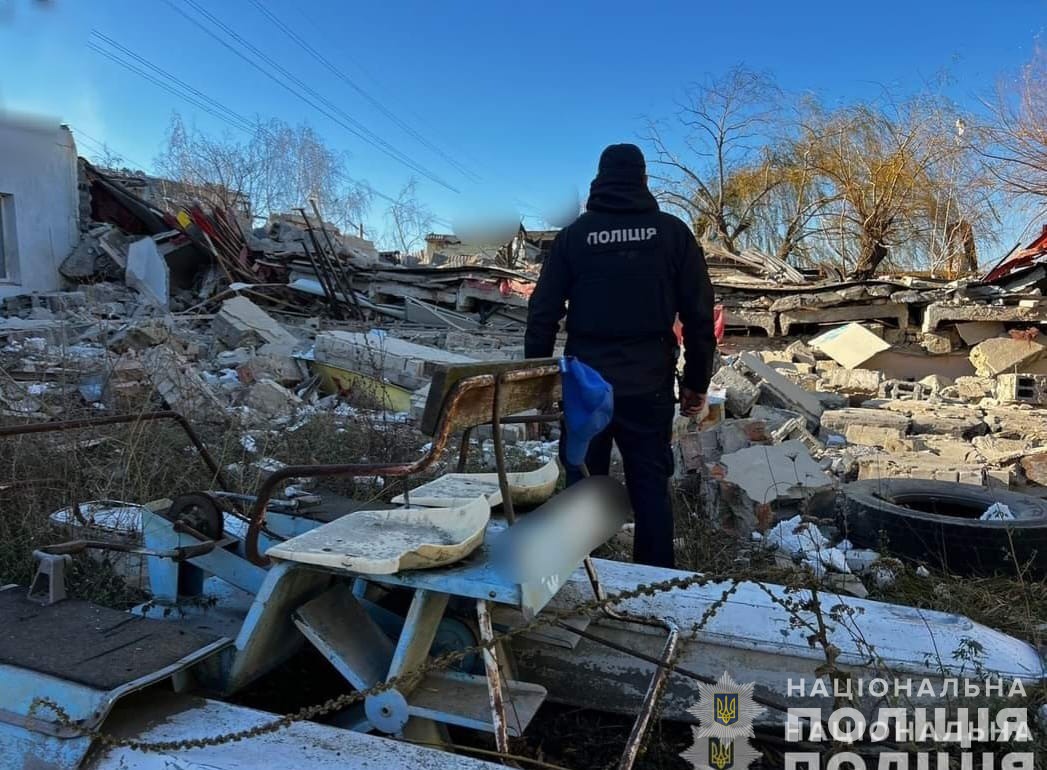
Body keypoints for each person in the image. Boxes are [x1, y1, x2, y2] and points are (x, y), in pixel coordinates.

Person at [524, 143, 716, 569]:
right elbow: (700, 317)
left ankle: (577, 577)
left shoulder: (574, 237)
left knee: (582, 483)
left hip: (586, 388)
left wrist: (535, 386)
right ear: (643, 181)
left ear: (599, 180)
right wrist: (695, 383)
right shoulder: (672, 234)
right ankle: (656, 590)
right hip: (649, 385)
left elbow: (542, 314)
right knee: (650, 486)